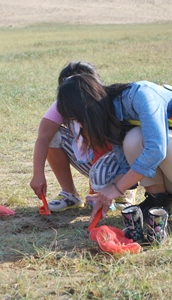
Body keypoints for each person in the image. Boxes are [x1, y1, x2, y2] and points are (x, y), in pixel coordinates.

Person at [56, 72, 172, 232]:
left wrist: (118, 188)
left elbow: (157, 149)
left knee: (162, 140)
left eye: (76, 118)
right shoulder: (111, 118)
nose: (79, 125)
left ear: (87, 109)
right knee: (133, 139)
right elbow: (125, 167)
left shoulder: (141, 94)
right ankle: (158, 201)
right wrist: (107, 192)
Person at [30, 61, 135, 213]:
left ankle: (125, 189)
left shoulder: (107, 101)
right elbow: (43, 137)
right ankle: (70, 194)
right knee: (54, 135)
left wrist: (101, 189)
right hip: (91, 162)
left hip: (120, 163)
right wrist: (38, 174)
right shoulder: (66, 104)